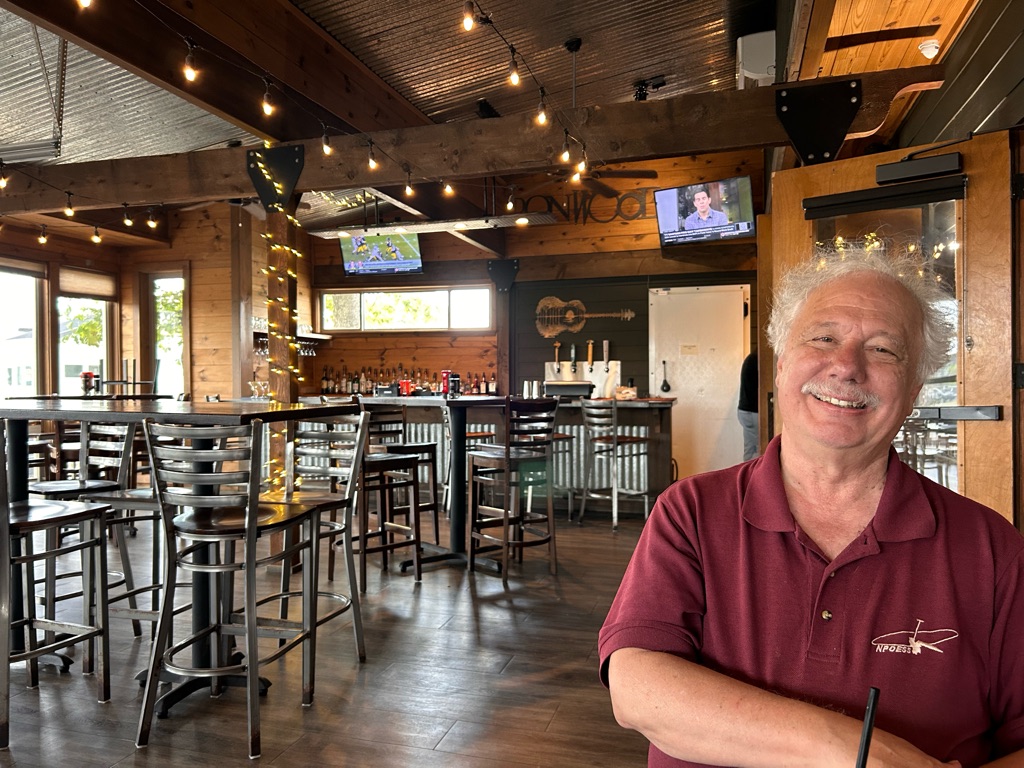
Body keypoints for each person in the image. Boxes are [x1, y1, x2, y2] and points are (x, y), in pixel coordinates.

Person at [599, 247, 1024, 768]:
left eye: (884, 349)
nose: (846, 367)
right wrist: (859, 752)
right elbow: (637, 688)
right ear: (781, 365)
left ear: (913, 390)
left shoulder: (991, 549)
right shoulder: (690, 512)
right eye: (823, 338)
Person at [737, 350, 758, 461]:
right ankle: (758, 472)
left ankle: (748, 471)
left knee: (749, 449)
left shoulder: (751, 357)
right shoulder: (761, 359)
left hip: (744, 410)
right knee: (761, 447)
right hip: (755, 411)